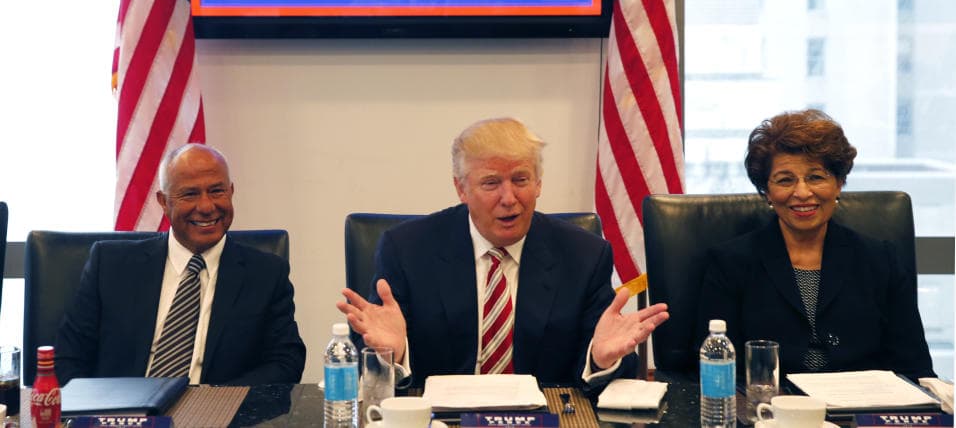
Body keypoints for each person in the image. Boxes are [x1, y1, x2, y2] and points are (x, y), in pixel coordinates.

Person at [337, 117, 669, 389]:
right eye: (491, 183)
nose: (509, 198)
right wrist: (390, 356)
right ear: (461, 188)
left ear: (539, 184)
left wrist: (600, 359)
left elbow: (603, 362)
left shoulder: (584, 255)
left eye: (521, 179)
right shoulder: (407, 250)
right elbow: (377, 380)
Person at [697, 109, 935, 381]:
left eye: (816, 177)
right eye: (785, 180)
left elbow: (915, 369)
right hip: (771, 412)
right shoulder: (730, 263)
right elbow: (713, 369)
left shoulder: (880, 260)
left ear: (839, 183)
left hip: (862, 413)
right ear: (766, 192)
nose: (802, 193)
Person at [56, 143, 307, 385]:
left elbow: (286, 362)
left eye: (217, 191)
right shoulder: (110, 265)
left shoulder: (265, 273)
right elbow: (68, 359)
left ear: (231, 191)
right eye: (190, 194)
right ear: (163, 202)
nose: (207, 207)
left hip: (216, 417)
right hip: (122, 415)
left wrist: (218, 403)